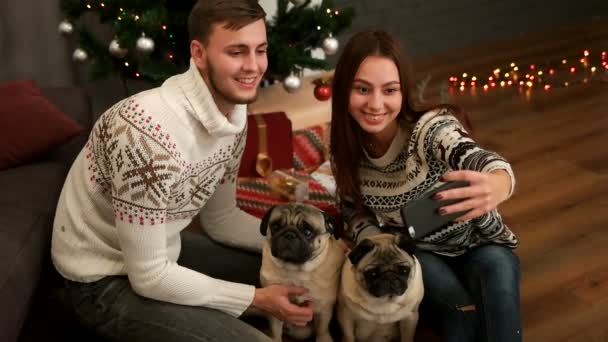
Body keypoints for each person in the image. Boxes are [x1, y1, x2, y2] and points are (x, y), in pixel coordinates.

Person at [51, 1, 313, 341]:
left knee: (300, 273)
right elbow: (148, 277)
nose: (253, 66)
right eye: (236, 52)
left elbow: (222, 220)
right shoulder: (144, 136)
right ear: (199, 53)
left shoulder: (233, 116)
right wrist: (256, 300)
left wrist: (313, 243)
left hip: (159, 250)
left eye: (260, 50)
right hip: (99, 281)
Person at [329, 30, 522, 342]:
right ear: (343, 91)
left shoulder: (432, 128)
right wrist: (371, 245)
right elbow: (352, 209)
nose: (376, 104)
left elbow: (473, 155)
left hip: (480, 243)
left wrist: (501, 181)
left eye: (389, 90)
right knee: (460, 312)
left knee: (500, 291)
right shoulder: (342, 148)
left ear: (404, 92)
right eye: (362, 89)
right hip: (422, 251)